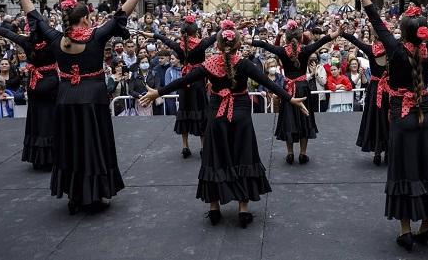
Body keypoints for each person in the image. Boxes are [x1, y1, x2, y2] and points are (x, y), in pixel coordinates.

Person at [5, 0, 154, 215]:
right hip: (92, 100)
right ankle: (98, 192)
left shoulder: (56, 39)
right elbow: (120, 16)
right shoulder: (96, 37)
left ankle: (75, 194)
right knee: (95, 145)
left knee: (70, 146)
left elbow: (34, 17)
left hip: (65, 98)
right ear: (85, 18)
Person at [139, 24, 309, 228]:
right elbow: (269, 83)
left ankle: (214, 208)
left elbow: (184, 80)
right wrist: (291, 100)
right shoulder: (245, 64)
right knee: (243, 155)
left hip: (216, 114)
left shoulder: (208, 65)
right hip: (242, 115)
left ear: (218, 45)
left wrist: (158, 92)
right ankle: (243, 210)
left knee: (216, 157)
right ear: (238, 45)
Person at [357, 0, 428, 251]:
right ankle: (427, 227)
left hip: (401, 117)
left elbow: (376, 21)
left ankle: (405, 231)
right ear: (423, 32)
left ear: (401, 31)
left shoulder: (394, 49)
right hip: (425, 114)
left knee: (404, 171)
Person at [251, 19, 339, 165]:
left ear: (286, 37)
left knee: (288, 119)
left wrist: (245, 42)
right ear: (300, 38)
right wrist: (338, 33)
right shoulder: (305, 50)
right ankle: (303, 153)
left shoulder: (281, 51)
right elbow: (322, 40)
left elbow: (263, 44)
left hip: (288, 89)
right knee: (304, 119)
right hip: (303, 87)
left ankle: (290, 153)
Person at [0, 21, 58, 169]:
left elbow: (8, 34)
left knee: (36, 120)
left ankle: (39, 158)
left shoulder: (27, 42)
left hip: (34, 84)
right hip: (50, 82)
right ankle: (54, 157)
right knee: (50, 119)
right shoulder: (54, 41)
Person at [142, 15, 216, 159]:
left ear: (183, 33)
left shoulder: (178, 46)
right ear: (196, 32)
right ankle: (203, 147)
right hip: (198, 83)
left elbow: (163, 38)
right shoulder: (201, 45)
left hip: (184, 82)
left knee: (183, 112)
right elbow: (217, 35)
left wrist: (148, 34)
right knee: (201, 113)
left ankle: (185, 146)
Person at [342, 27, 390, 166]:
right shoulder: (391, 48)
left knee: (375, 118)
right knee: (388, 119)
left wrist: (342, 32)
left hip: (375, 88)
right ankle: (388, 151)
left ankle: (377, 152)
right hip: (389, 87)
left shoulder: (370, 49)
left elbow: (354, 40)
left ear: (374, 37)